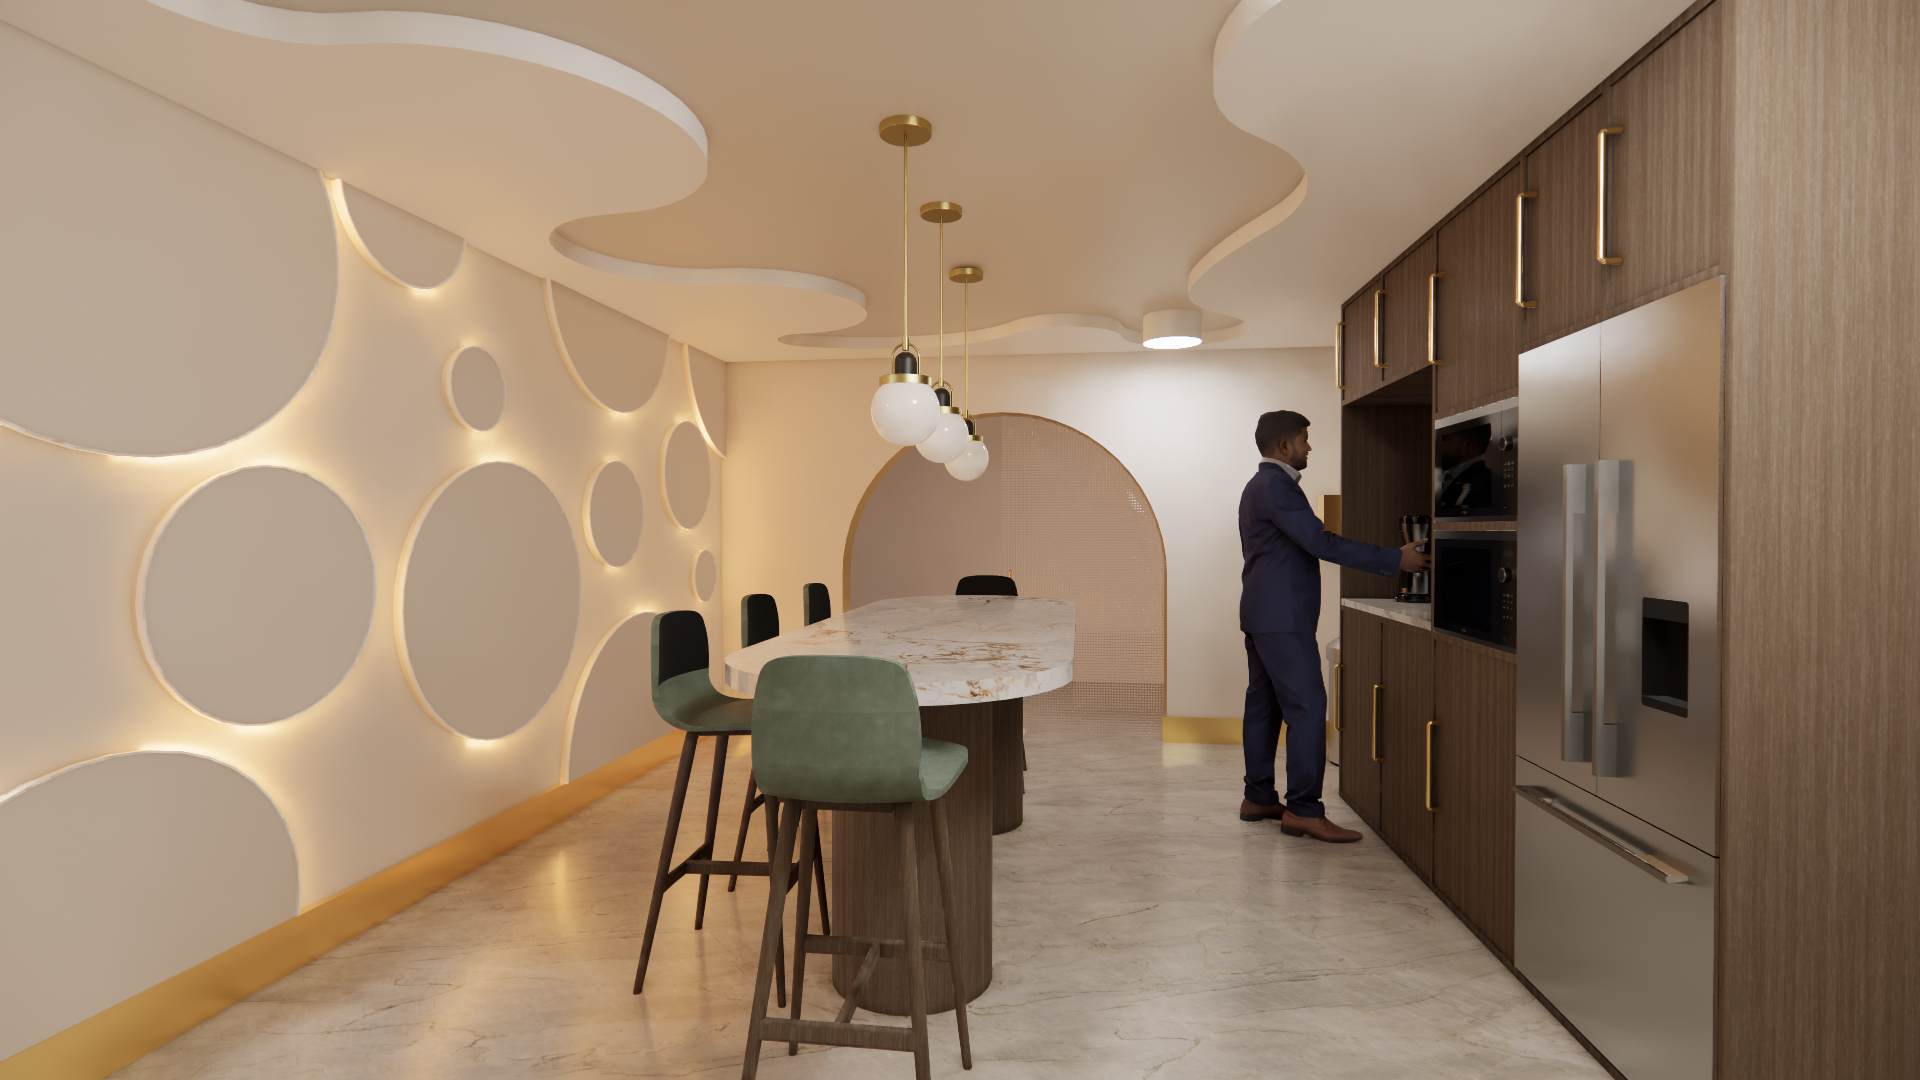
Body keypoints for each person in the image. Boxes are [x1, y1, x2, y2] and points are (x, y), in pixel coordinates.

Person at [1237, 410, 1430, 842]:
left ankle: (1260, 796)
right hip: (1282, 618)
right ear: (1284, 446)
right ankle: (1304, 809)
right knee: (1307, 710)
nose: (1309, 447)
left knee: (1265, 707)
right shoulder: (1278, 486)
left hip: (1263, 614)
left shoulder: (1259, 486)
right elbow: (1320, 541)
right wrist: (1394, 558)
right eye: (1304, 440)